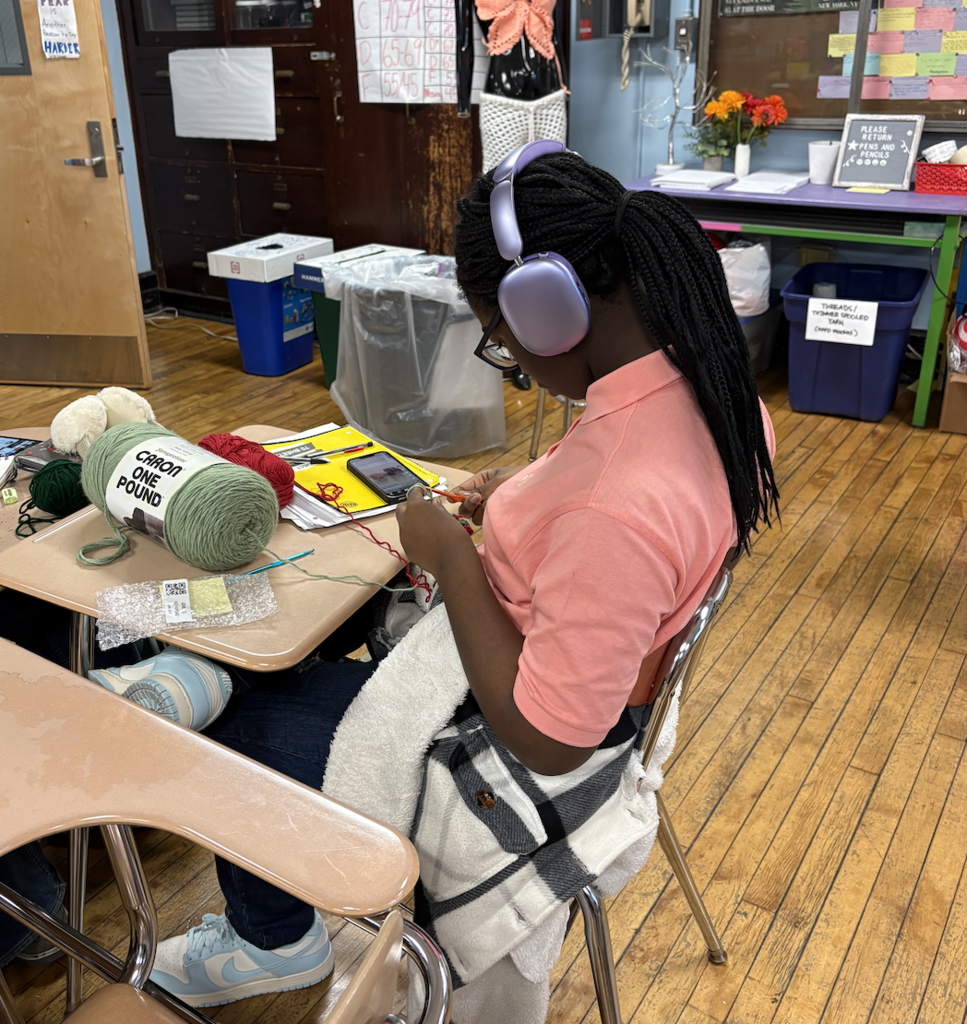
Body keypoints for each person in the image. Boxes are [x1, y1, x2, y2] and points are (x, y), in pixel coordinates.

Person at [42, 143, 781, 1011]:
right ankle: (194, 680)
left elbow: (551, 739)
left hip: (505, 758)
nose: (510, 365)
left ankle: (267, 943)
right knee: (319, 631)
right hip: (589, 670)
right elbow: (615, 523)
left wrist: (454, 559)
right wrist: (526, 496)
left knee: (240, 713)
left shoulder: (612, 507)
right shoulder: (711, 400)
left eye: (502, 347)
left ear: (549, 314)